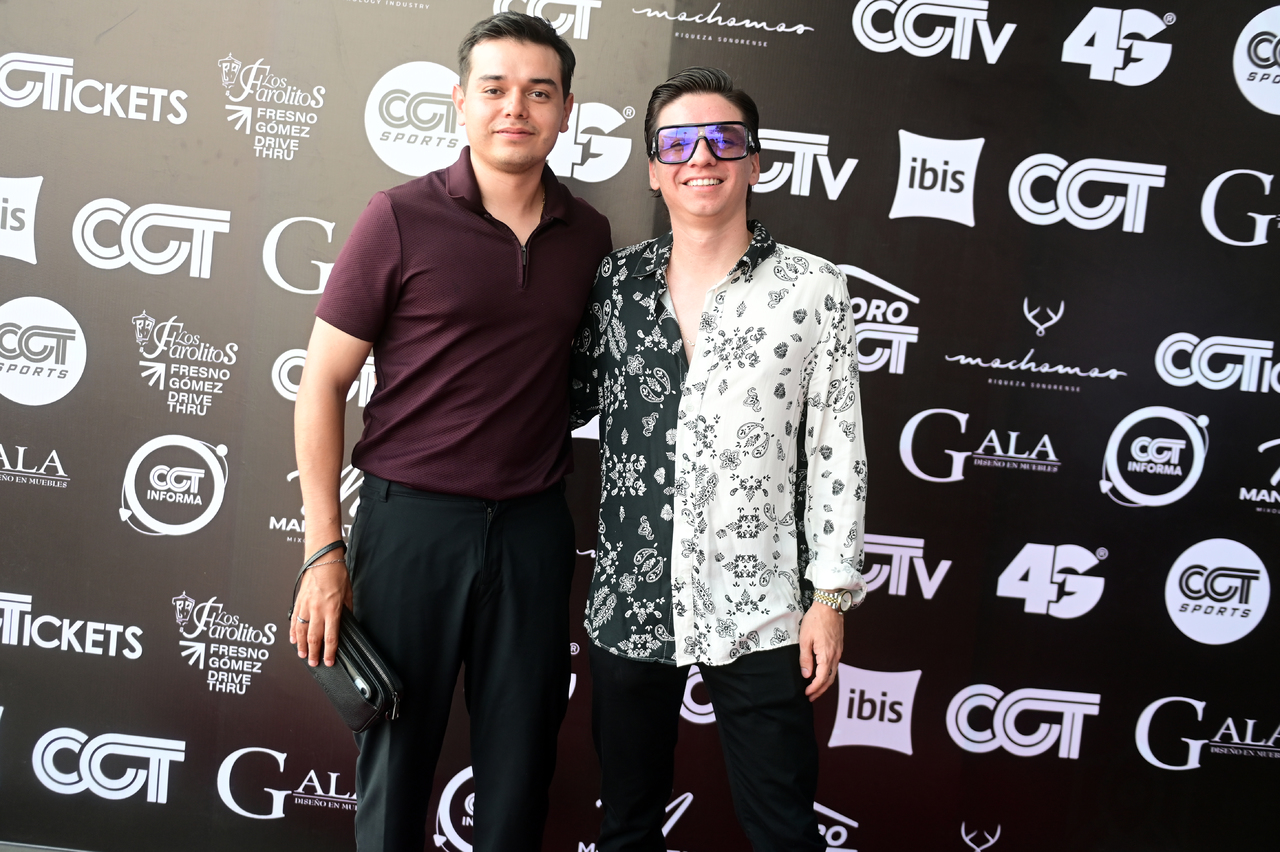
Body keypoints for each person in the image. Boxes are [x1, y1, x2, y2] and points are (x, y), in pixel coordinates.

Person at [290, 13, 611, 852]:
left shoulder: (590, 235)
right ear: (461, 102)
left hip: (535, 531)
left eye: (539, 92)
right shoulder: (397, 217)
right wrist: (324, 551)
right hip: (411, 529)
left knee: (521, 769)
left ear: (565, 110)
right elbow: (321, 382)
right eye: (495, 89)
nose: (516, 108)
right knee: (395, 764)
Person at [570, 67, 867, 851]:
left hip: (764, 607)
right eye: (677, 142)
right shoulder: (616, 284)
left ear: (754, 161)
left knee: (783, 831)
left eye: (723, 139)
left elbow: (836, 445)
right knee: (626, 826)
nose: (701, 156)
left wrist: (830, 599)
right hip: (631, 599)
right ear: (653, 169)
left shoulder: (813, 288)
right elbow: (553, 401)